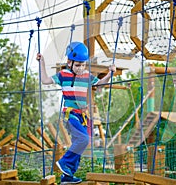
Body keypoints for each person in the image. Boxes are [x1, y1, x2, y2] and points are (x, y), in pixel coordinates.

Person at [36, 41, 116, 184]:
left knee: (80, 145)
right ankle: (64, 162)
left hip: (82, 116)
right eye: (77, 65)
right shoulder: (63, 75)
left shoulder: (86, 76)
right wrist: (42, 62)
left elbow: (100, 84)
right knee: (83, 139)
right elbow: (45, 80)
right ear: (69, 62)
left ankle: (67, 177)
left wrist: (110, 73)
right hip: (70, 114)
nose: (80, 68)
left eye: (83, 64)